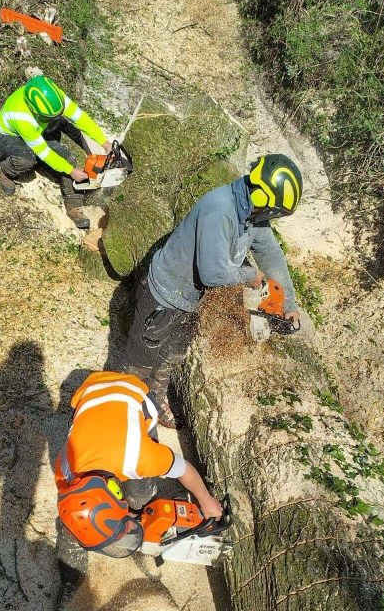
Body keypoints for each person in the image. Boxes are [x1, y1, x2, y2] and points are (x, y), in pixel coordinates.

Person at [125, 153, 304, 427]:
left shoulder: (253, 216)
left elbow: (272, 256)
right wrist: (250, 275)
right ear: (262, 200)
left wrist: (288, 305)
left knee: (173, 353)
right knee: (141, 360)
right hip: (165, 293)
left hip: (192, 299)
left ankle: (154, 400)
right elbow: (214, 274)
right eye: (273, 213)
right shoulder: (220, 210)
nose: (271, 219)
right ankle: (125, 412)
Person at [52, 370, 222, 611]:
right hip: (88, 394)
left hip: (134, 393)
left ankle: (138, 503)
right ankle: (71, 577)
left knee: (141, 494)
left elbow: (184, 469)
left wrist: (206, 501)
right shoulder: (64, 471)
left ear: (114, 489)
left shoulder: (142, 457)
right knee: (70, 529)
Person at [0, 74, 112, 229]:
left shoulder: (53, 97)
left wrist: (105, 142)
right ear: (35, 110)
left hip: (37, 132)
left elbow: (80, 118)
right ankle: (7, 171)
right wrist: (71, 171)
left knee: (69, 160)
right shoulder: (21, 116)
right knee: (27, 159)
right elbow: (43, 151)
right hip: (5, 137)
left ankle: (73, 206)